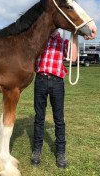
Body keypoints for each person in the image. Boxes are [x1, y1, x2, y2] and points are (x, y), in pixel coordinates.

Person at [31, 29, 78, 168]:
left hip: (57, 82)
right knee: (39, 118)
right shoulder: (41, 41)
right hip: (40, 80)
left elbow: (73, 57)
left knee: (59, 119)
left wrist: (74, 35)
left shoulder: (62, 42)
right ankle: (37, 150)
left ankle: (61, 152)